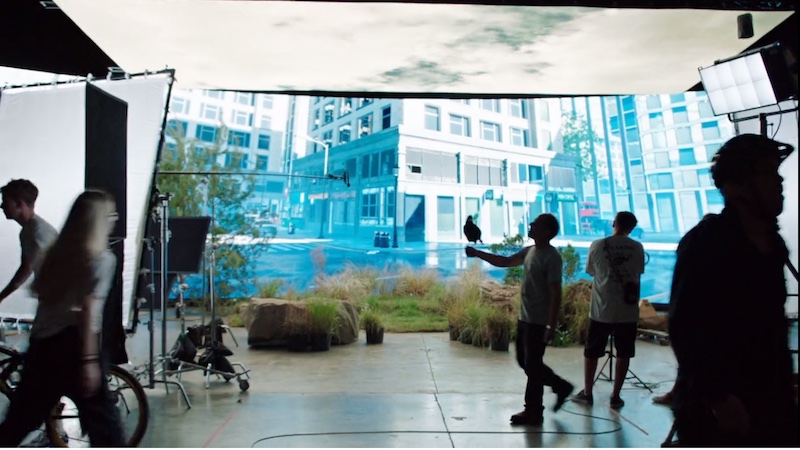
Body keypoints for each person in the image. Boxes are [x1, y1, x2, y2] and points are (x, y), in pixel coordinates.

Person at [669, 134, 798, 447]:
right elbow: (685, 327)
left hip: (771, 400)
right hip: (715, 413)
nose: (778, 182)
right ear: (736, 185)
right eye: (767, 173)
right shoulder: (707, 243)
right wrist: (717, 397)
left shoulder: (774, 244)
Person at [0, 189, 125, 447]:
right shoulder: (101, 259)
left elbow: (43, 297)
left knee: (19, 421)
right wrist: (89, 361)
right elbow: (88, 311)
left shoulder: (54, 256)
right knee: (106, 429)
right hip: (72, 347)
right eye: (111, 216)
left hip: (43, 345)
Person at [466, 213, 574, 425]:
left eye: (536, 223)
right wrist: (478, 253)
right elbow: (505, 261)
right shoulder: (530, 251)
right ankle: (559, 387)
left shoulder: (551, 257)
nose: (531, 224)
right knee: (525, 362)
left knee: (532, 365)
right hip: (525, 317)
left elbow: (556, 293)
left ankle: (534, 410)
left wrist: (551, 325)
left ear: (547, 231)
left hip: (539, 320)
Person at [572, 211, 645, 409]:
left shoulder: (597, 245)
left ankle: (588, 392)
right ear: (632, 228)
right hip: (627, 310)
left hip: (601, 309)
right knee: (624, 353)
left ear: (614, 223)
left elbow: (591, 271)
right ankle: (616, 396)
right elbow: (638, 272)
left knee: (592, 352)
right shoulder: (637, 247)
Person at [0, 179, 58, 304]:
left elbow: (27, 269)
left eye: (5, 201)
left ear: (19, 204)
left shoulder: (38, 231)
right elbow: (26, 266)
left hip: (58, 299)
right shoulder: (27, 232)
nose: (1, 206)